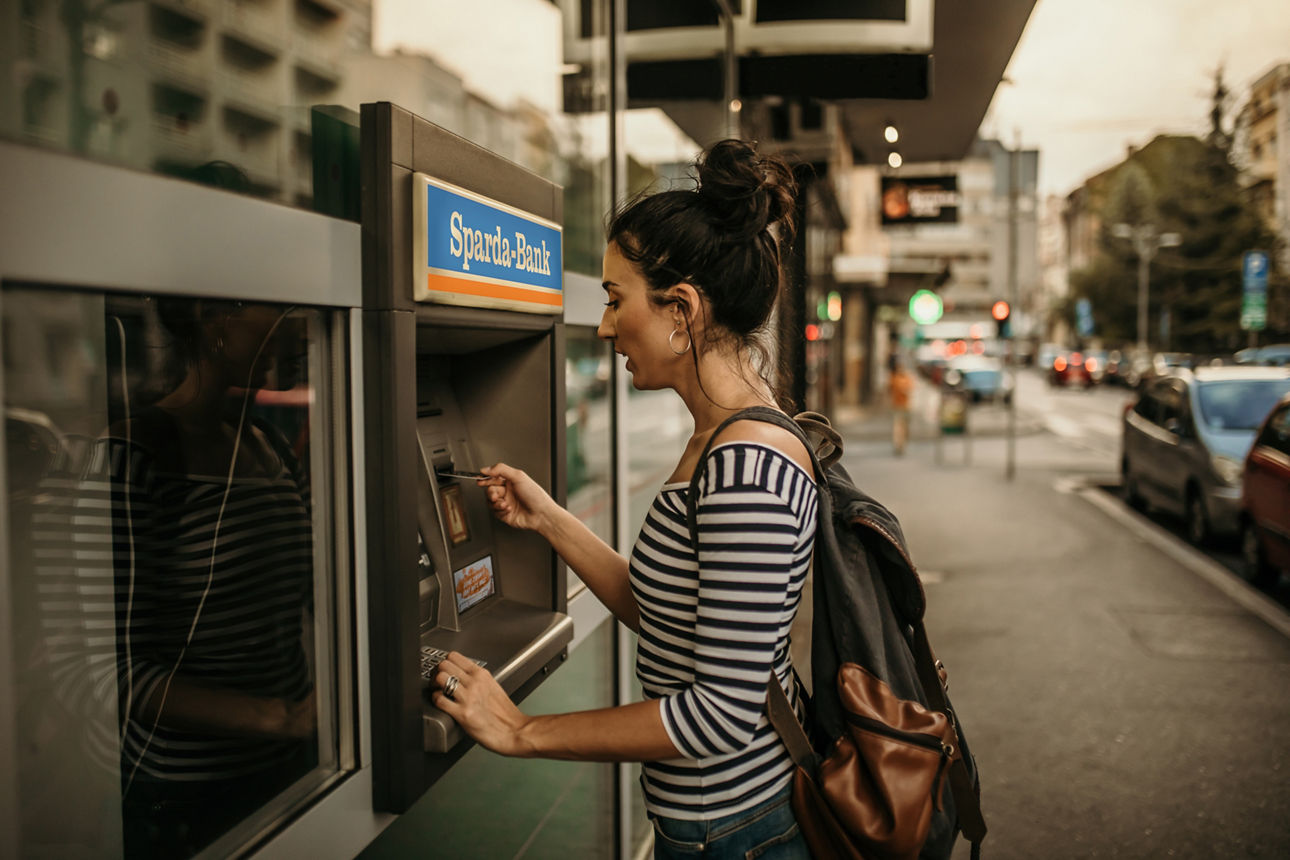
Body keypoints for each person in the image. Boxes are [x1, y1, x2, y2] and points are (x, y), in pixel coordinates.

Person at [432, 140, 817, 859]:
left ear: (682, 309)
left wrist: (521, 731)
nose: (605, 326)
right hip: (720, 825)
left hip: (736, 832)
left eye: (615, 300)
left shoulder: (745, 467)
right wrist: (548, 517)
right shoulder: (724, 438)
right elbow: (668, 616)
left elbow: (719, 716)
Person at [889, 358, 914, 455]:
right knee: (898, 427)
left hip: (906, 406)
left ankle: (902, 443)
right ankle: (898, 445)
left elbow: (910, 389)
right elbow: (889, 389)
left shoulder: (907, 378)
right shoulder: (894, 379)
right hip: (897, 406)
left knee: (905, 427)